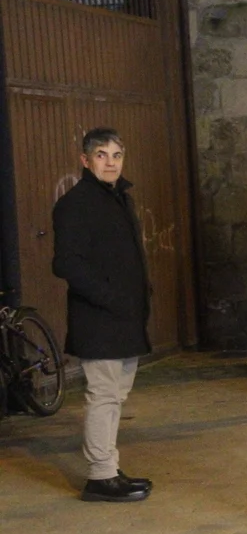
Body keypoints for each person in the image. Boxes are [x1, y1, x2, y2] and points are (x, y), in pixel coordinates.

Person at [53, 127, 153, 502]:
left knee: (116, 396)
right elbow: (66, 263)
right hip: (99, 317)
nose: (110, 163)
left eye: (116, 155)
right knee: (103, 395)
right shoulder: (76, 203)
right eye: (101, 155)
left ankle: (109, 466)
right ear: (85, 160)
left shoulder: (119, 198)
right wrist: (110, 298)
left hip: (124, 316)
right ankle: (100, 476)